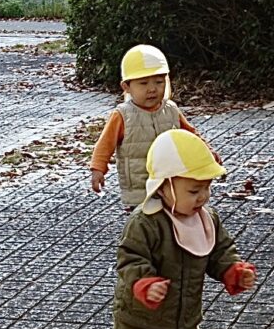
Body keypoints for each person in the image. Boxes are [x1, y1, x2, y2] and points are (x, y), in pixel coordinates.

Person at [111, 129, 257, 329]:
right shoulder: (145, 222)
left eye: (207, 188)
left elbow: (219, 251)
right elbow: (130, 259)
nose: (202, 196)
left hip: (184, 316)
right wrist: (146, 284)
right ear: (164, 185)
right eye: (193, 190)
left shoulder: (206, 218)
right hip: (142, 317)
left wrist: (233, 270)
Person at [89, 44, 216, 208]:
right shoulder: (122, 115)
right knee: (143, 220)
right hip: (139, 186)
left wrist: (208, 152)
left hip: (171, 182)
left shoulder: (171, 110)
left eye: (159, 82)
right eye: (143, 83)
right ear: (126, 87)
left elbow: (191, 136)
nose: (152, 89)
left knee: (172, 217)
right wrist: (98, 169)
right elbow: (105, 144)